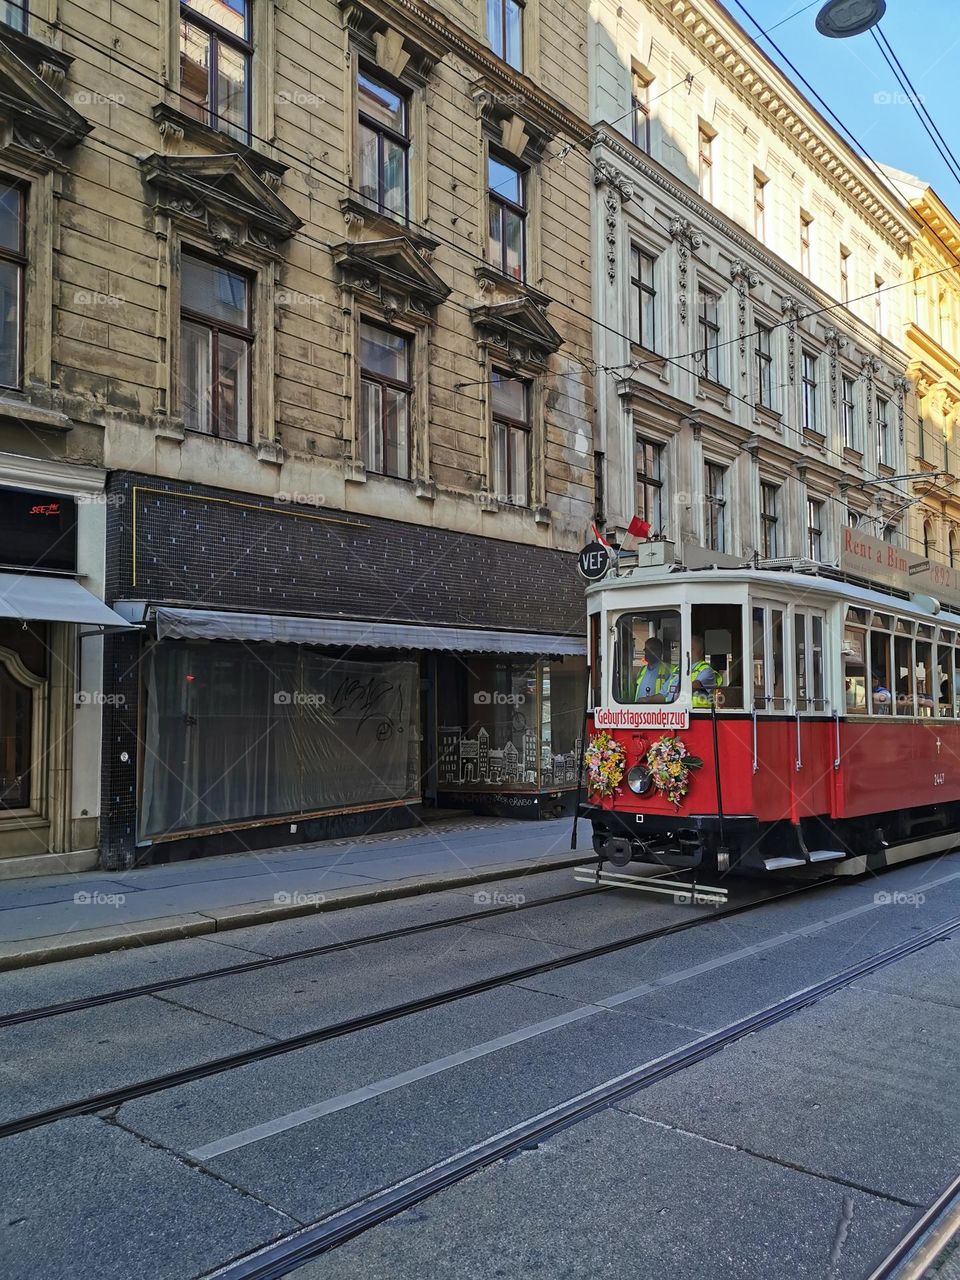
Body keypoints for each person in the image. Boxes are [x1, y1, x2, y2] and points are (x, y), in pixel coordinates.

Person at [634, 636, 678, 702]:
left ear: (660, 651)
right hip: (638, 711)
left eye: (651, 650)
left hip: (659, 711)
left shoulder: (670, 669)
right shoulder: (642, 670)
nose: (647, 653)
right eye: (646, 650)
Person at [690, 634, 722, 709]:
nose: (688, 652)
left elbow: (694, 685)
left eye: (692, 649)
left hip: (698, 715)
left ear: (701, 652)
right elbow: (663, 694)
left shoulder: (707, 670)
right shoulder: (677, 670)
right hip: (673, 713)